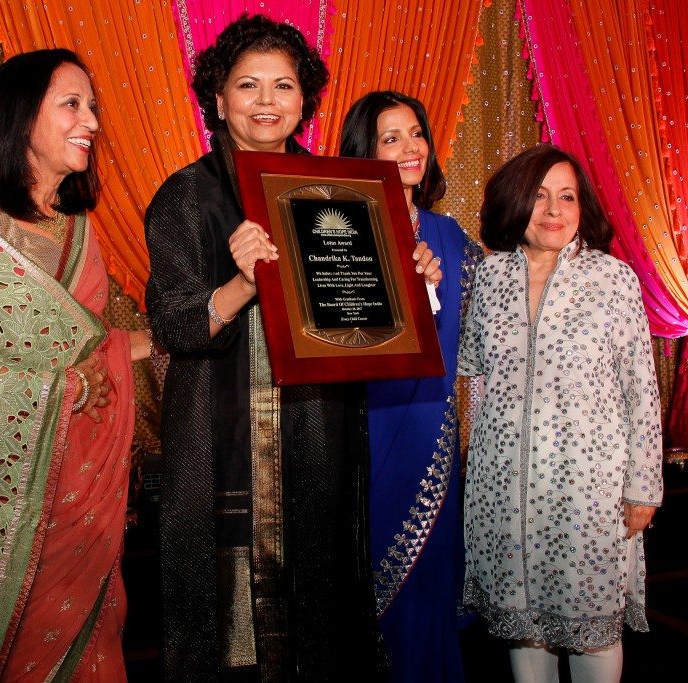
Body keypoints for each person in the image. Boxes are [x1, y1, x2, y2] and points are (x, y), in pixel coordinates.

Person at [144, 15, 439, 682]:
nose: (267, 101)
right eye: (248, 85)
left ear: (305, 99)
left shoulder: (339, 188)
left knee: (322, 606)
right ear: (218, 99)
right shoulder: (186, 196)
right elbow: (174, 324)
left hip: (318, 430)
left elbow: (368, 323)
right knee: (227, 627)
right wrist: (242, 282)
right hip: (222, 440)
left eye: (284, 84)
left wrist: (408, 278)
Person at [0, 49, 151, 682]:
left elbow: (96, 344)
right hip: (18, 490)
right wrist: (65, 383)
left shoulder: (79, 228)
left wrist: (180, 333)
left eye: (93, 107)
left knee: (96, 625)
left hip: (87, 486)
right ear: (22, 117)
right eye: (72, 104)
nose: (92, 122)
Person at [458, 145, 663, 682]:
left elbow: (640, 388)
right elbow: (473, 376)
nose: (554, 211)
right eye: (540, 196)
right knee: (524, 625)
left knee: (593, 629)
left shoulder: (611, 279)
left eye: (566, 197)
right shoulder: (489, 278)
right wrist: (470, 459)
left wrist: (644, 485)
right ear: (514, 204)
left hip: (587, 491)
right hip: (503, 486)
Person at [340, 91, 482, 682]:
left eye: (415, 133)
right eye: (390, 138)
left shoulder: (452, 237)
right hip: (365, 427)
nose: (409, 148)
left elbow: (486, 325)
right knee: (364, 578)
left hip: (435, 431)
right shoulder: (340, 227)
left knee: (429, 584)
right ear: (363, 152)